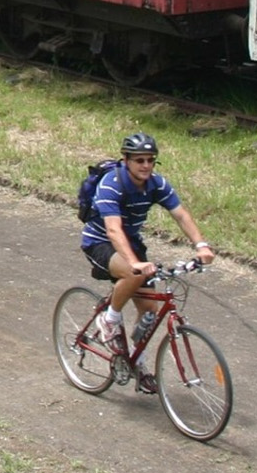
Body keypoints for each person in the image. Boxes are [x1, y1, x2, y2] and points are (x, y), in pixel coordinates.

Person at [79, 132, 215, 361]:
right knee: (132, 273)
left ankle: (135, 361)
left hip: (131, 243)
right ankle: (109, 319)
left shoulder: (156, 184)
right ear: (126, 160)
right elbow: (113, 230)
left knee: (150, 311)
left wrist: (201, 246)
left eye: (150, 160)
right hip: (100, 242)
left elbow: (181, 215)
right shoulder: (111, 184)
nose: (146, 165)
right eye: (139, 160)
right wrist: (134, 263)